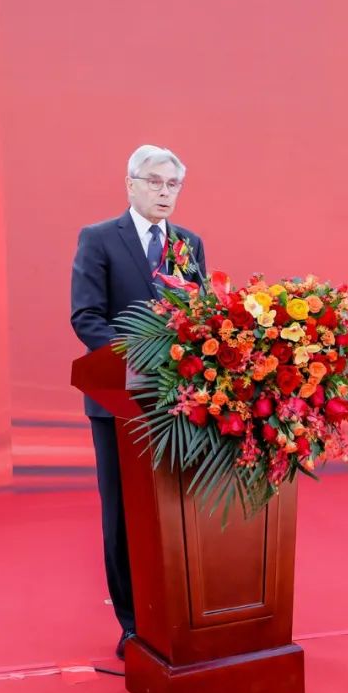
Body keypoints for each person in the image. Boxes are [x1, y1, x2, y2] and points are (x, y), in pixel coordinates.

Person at [70, 144, 207, 660]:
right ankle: (132, 624)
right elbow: (87, 317)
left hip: (179, 403)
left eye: (173, 185)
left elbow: (201, 317)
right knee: (124, 514)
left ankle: (178, 611)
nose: (164, 192)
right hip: (119, 401)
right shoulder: (100, 239)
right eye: (154, 182)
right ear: (130, 183)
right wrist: (142, 363)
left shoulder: (189, 244)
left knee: (174, 509)